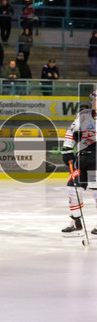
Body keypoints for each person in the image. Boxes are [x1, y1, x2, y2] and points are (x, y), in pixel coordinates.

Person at [60, 90, 97, 236]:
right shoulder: (83, 114)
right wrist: (67, 149)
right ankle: (76, 221)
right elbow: (71, 132)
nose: (92, 101)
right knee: (72, 187)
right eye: (92, 99)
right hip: (82, 158)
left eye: (95, 99)